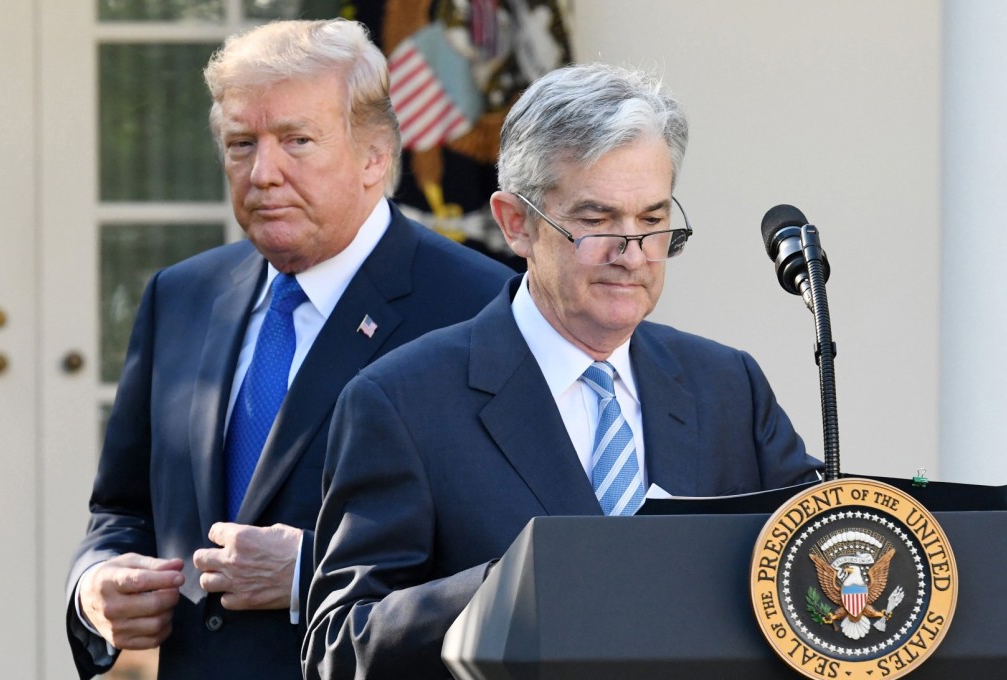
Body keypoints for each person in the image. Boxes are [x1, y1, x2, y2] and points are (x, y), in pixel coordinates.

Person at [302, 62, 823, 679]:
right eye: (596, 220)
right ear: (515, 223)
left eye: (653, 221)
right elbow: (340, 646)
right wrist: (515, 587)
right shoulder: (401, 402)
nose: (631, 254)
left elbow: (810, 573)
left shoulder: (727, 386)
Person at [65, 19, 513, 680]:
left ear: (375, 155)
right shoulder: (181, 297)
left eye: (297, 141)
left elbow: (509, 565)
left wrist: (311, 571)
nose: (263, 172)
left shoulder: (482, 309)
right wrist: (95, 587)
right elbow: (123, 509)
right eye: (242, 143)